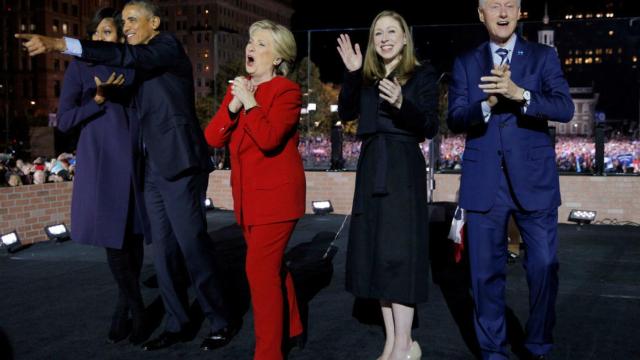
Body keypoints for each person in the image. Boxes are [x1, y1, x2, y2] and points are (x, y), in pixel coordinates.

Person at [16, 0, 235, 351]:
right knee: (162, 253)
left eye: (133, 20)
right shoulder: (131, 62)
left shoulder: (164, 47)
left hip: (178, 163)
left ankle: (219, 320)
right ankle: (178, 322)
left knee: (192, 245)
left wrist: (60, 44)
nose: (127, 25)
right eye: (125, 20)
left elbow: (130, 59)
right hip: (147, 169)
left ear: (156, 22)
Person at [447, 0, 574, 359]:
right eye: (494, 6)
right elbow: (455, 118)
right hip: (484, 180)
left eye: (510, 5)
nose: (502, 13)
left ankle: (537, 345)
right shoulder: (466, 62)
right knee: (484, 276)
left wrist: (521, 95)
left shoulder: (543, 57)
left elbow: (564, 108)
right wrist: (486, 104)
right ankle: (494, 352)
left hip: (535, 179)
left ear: (520, 13)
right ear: (480, 14)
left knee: (545, 265)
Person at [336, 10, 438, 360]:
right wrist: (351, 73)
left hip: (402, 168)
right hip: (371, 166)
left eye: (392, 31)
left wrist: (400, 103)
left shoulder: (422, 74)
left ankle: (405, 343)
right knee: (376, 254)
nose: (384, 38)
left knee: (399, 255)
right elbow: (346, 113)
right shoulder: (366, 77)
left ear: (405, 37)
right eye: (378, 32)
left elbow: (428, 125)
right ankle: (393, 343)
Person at [205, 19, 304, 360]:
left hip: (277, 200)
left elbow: (269, 139)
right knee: (271, 268)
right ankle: (292, 328)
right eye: (251, 41)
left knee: (259, 273)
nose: (251, 47)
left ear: (278, 57)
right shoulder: (242, 89)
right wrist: (234, 104)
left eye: (262, 44)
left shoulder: (286, 91)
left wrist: (249, 101)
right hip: (247, 201)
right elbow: (213, 138)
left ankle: (268, 354)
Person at [55, 7, 147, 345]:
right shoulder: (80, 67)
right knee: (114, 239)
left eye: (107, 33)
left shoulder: (133, 65)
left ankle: (123, 306)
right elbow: (63, 121)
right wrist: (96, 100)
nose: (99, 38)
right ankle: (137, 309)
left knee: (134, 238)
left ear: (120, 38)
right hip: (102, 164)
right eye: (95, 33)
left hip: (136, 161)